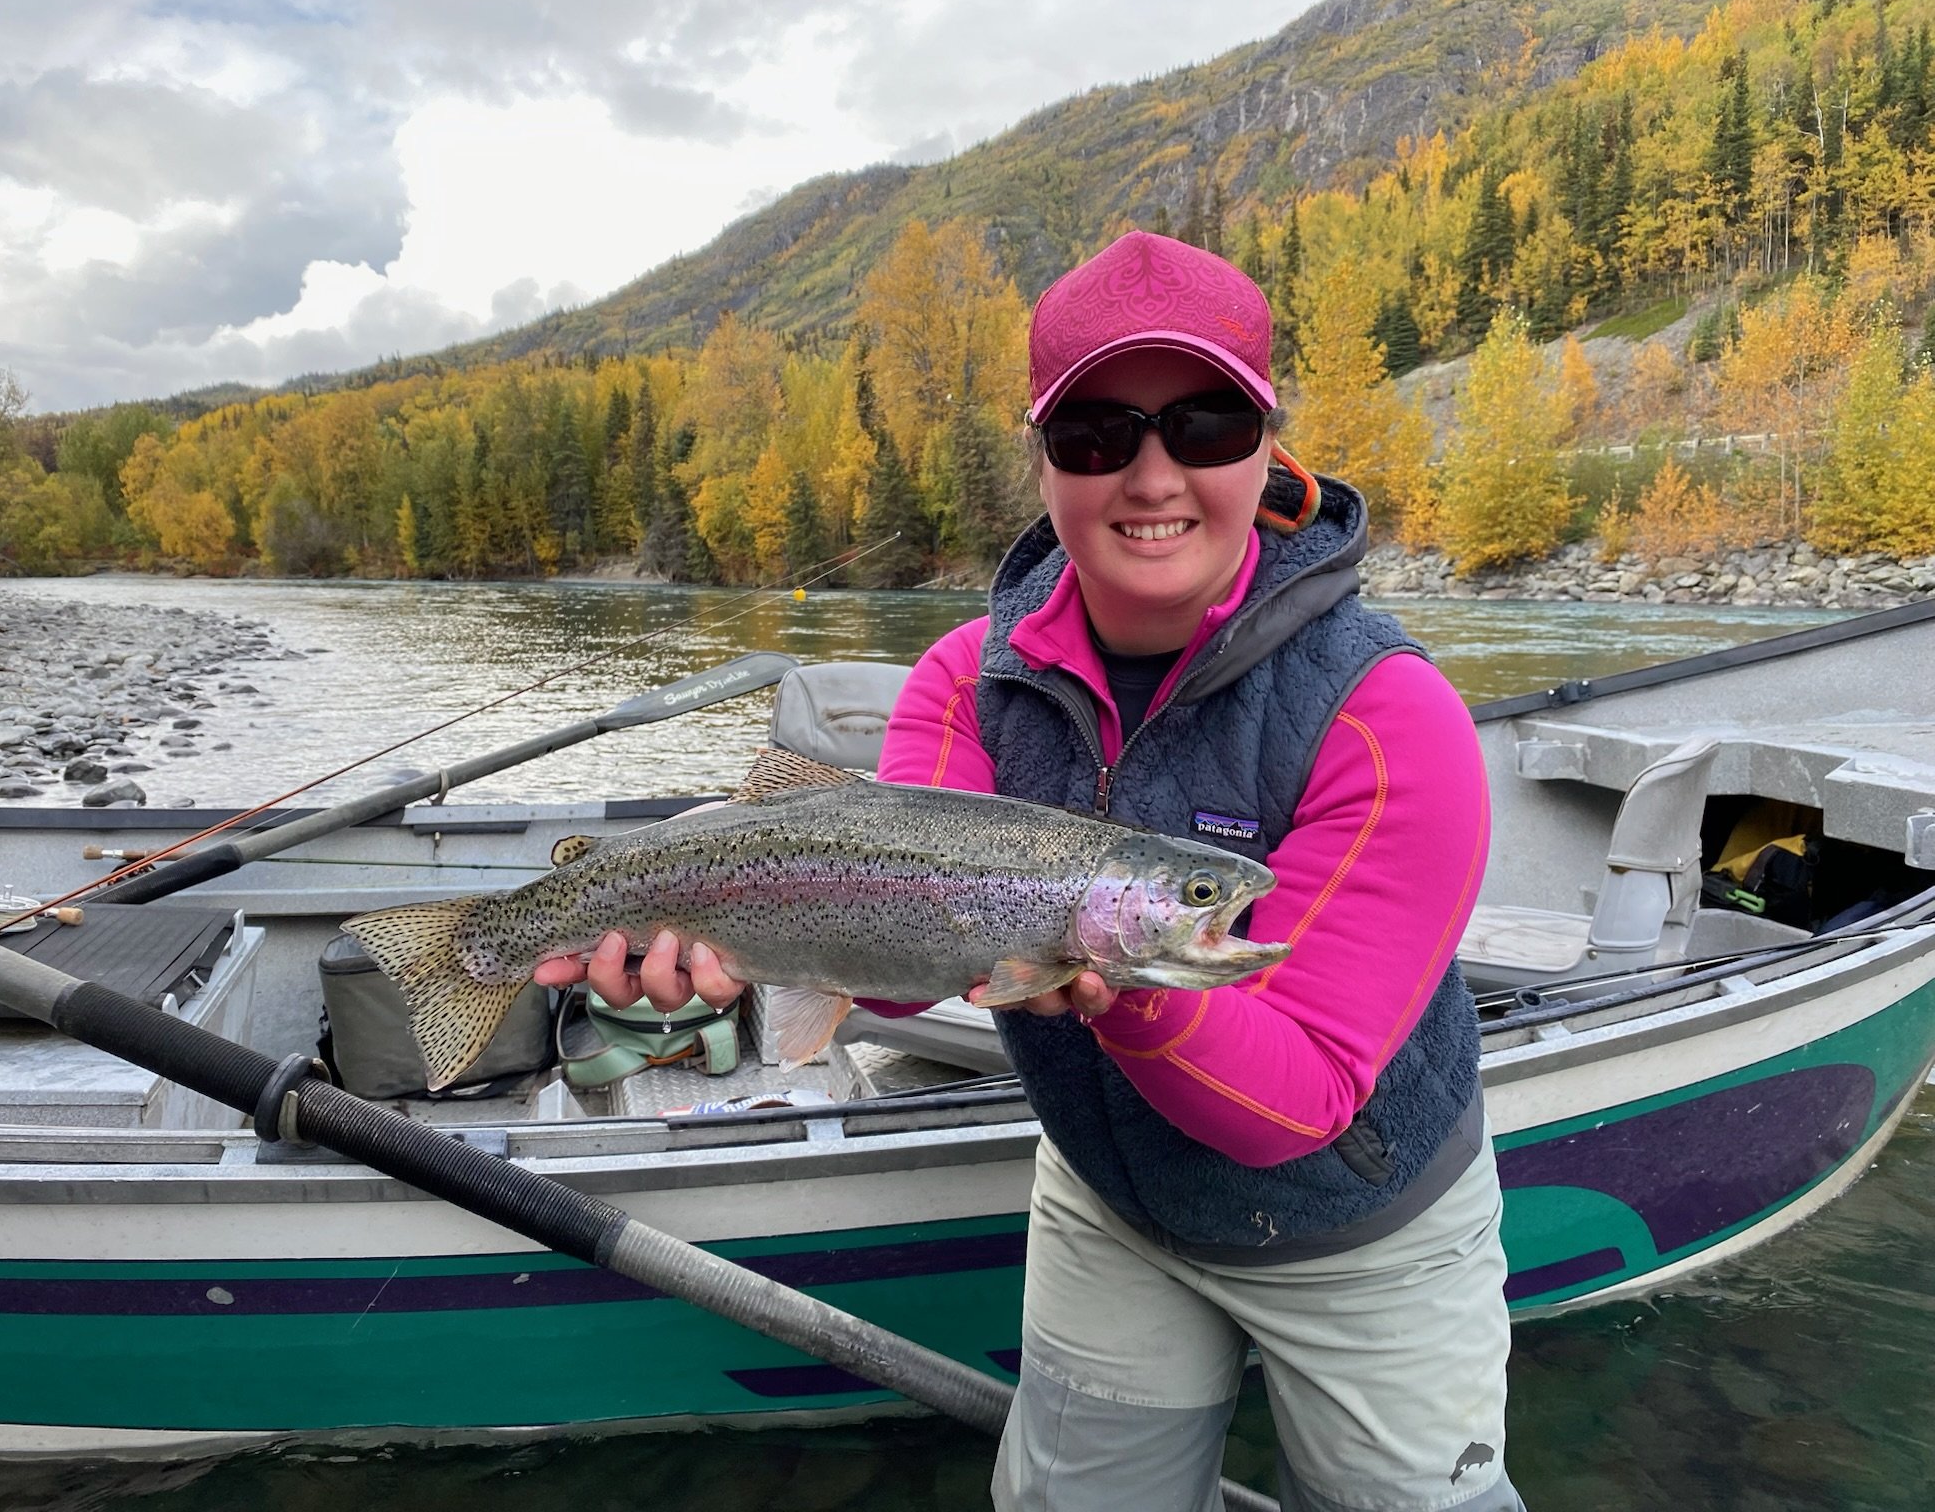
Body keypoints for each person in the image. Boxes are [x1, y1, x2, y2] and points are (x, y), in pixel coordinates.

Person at [537, 229, 1523, 1512]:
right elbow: (898, 971)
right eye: (1098, 435)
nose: (1151, 473)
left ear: (1271, 445)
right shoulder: (962, 681)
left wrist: (1128, 981)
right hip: (1109, 1199)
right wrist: (741, 951)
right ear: (1046, 463)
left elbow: (1302, 1101)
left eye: (1206, 424)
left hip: (1360, 1226)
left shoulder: (1389, 717)